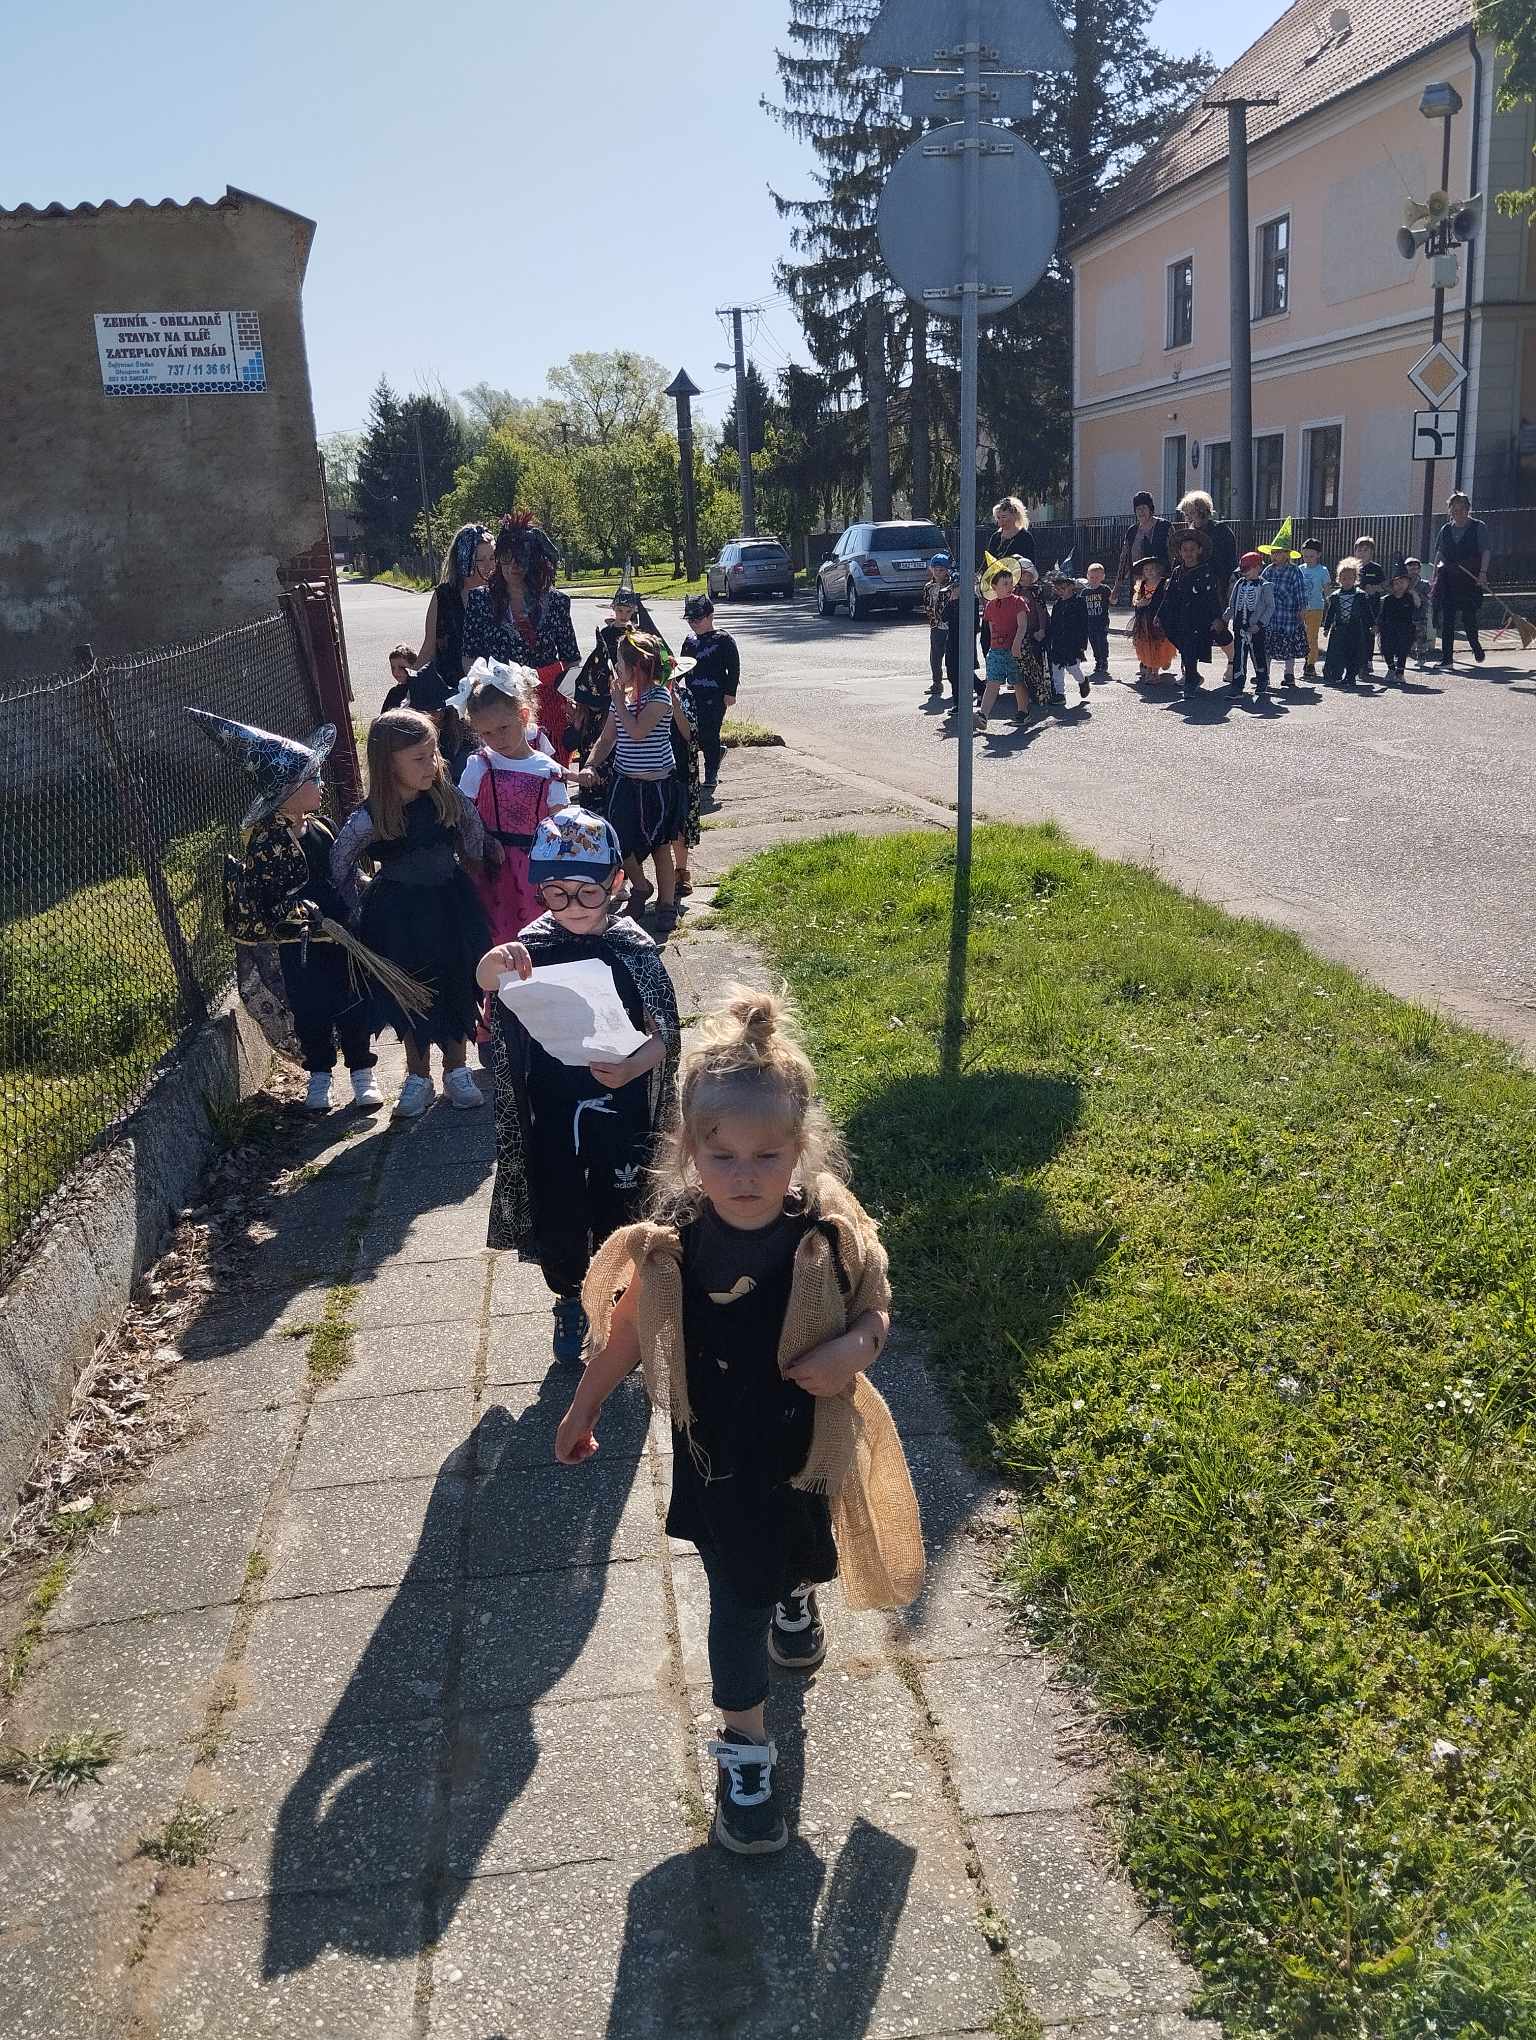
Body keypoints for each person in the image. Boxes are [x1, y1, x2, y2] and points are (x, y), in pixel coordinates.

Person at [555, 989, 923, 1856]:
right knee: (733, 1595)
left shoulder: (827, 1234)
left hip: (806, 1440)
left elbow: (875, 1307)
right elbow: (627, 1332)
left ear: (801, 1148)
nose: (746, 1175)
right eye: (722, 1157)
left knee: (799, 1549)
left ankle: (794, 1597)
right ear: (690, 1151)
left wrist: (855, 1350)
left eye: (768, 1155)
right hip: (717, 1450)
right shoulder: (673, 1242)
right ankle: (745, 1749)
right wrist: (584, 1404)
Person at [479, 807, 681, 1364]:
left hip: (622, 1105)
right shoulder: (532, 945)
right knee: (560, 1205)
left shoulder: (632, 947)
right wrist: (494, 960)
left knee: (623, 1201)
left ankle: (621, 1301)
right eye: (556, 893)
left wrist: (636, 1067)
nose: (571, 906)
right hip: (551, 1105)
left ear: (614, 882)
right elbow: (488, 981)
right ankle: (569, 1297)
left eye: (587, 893)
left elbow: (666, 1033)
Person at [187, 710, 382, 1116]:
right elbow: (265, 898)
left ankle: (363, 1072)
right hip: (302, 943)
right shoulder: (266, 844)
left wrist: (365, 890)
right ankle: (320, 1075)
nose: (321, 785)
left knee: (352, 1000)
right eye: (313, 779)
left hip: (343, 935)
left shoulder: (323, 827)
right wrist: (303, 914)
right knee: (310, 1008)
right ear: (288, 790)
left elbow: (343, 871)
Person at [331, 709, 492, 1119]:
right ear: (388, 764)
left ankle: (457, 1070)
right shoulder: (371, 816)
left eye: (433, 754)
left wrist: (474, 862)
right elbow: (340, 860)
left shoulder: (445, 797)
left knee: (456, 980)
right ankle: (418, 1076)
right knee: (408, 989)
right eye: (419, 758)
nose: (431, 764)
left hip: (450, 905)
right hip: (398, 917)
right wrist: (357, 902)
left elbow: (472, 827)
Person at [582, 631, 690, 934]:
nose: (616, 667)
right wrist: (590, 763)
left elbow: (637, 731)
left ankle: (666, 905)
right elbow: (608, 738)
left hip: (658, 786)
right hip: (626, 783)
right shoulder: (622, 699)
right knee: (620, 841)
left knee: (660, 846)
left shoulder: (660, 697)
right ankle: (641, 886)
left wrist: (618, 702)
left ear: (637, 667)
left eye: (619, 662)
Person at [456, 661, 570, 948]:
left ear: (523, 715)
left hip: (536, 870)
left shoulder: (548, 769)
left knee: (537, 937)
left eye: (503, 728)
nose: (497, 739)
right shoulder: (480, 765)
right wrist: (482, 841)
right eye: (487, 733)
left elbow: (561, 824)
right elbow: (462, 814)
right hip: (492, 868)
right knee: (495, 937)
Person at [463, 514, 581, 759]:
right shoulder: (480, 600)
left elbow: (571, 659)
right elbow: (470, 656)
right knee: (508, 770)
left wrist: (574, 701)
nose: (514, 566)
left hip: (550, 703)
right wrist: (481, 695)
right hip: (501, 704)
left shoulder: (557, 601)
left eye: (521, 557)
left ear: (535, 559)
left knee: (550, 770)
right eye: (507, 557)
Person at [417, 524, 494, 690]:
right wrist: (410, 686)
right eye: (481, 560)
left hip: (491, 694)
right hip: (450, 691)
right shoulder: (443, 596)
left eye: (492, 558)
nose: (489, 566)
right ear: (465, 560)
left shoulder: (500, 594)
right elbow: (429, 648)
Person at [681, 594, 740, 792]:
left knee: (710, 733)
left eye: (698, 619)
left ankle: (711, 771)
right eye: (690, 620)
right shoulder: (689, 641)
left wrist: (730, 693)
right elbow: (682, 665)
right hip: (692, 696)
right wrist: (671, 683)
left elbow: (733, 668)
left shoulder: (723, 639)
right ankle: (716, 753)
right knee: (693, 733)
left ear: (710, 616)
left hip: (716, 696)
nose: (694, 624)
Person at [1160, 531, 1228, 696]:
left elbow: (1213, 597)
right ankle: (1193, 676)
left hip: (1199, 617)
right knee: (1183, 645)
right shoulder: (1177, 571)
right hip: (1179, 616)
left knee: (1190, 646)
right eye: (1185, 550)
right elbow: (1169, 595)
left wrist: (1218, 618)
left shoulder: (1206, 571)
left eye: (1192, 549)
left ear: (1199, 550)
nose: (1188, 553)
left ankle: (1191, 680)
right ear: (1180, 552)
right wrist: (1159, 614)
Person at [1432, 492, 1492, 670]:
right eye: (1454, 510)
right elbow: (1440, 554)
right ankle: (1447, 659)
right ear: (1450, 511)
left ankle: (1475, 646)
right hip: (1449, 580)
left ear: (1468, 509)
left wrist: (1483, 573)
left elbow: (1485, 551)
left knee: (1469, 618)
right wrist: (1435, 576)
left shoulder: (1478, 527)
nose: (1458, 513)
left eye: (1462, 509)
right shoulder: (1445, 529)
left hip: (1469, 579)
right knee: (1447, 620)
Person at [975, 560, 1034, 733]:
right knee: (992, 682)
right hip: (996, 650)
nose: (1010, 586)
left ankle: (1023, 711)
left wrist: (1016, 643)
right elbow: (992, 628)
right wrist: (991, 648)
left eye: (1011, 582)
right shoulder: (991, 605)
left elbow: (1022, 625)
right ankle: (983, 716)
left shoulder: (1018, 602)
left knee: (1017, 681)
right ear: (994, 587)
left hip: (1014, 650)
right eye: (1005, 583)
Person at [1258, 530, 1309, 691]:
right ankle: (1264, 675)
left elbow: (1300, 590)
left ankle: (1289, 674)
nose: (1274, 556)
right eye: (1273, 553)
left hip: (1288, 616)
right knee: (1267, 646)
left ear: (1287, 555)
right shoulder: (1268, 570)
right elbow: (1261, 587)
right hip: (1270, 616)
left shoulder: (1294, 571)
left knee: (1289, 647)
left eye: (1278, 553)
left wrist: (1302, 609)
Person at [1171, 489, 1239, 596]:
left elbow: (1230, 560)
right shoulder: (1187, 535)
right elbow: (1179, 559)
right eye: (1186, 514)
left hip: (1217, 584)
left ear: (1203, 511)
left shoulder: (1221, 530)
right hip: (1191, 585)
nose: (1188, 518)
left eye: (1192, 513)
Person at [1227, 552, 1275, 698]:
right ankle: (1237, 685)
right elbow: (1232, 604)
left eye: (1247, 569)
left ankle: (1262, 679)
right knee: (1239, 657)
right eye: (1242, 569)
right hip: (1239, 627)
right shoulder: (1239, 584)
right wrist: (1226, 617)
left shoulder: (1265, 586)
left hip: (1256, 629)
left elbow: (1270, 607)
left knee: (1258, 655)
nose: (1243, 572)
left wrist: (1260, 624)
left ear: (1258, 568)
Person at [1321, 559, 1373, 688]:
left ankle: (1350, 676)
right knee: (1337, 652)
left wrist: (1372, 624)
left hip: (1355, 629)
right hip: (1339, 629)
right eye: (1344, 578)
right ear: (1339, 579)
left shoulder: (1360, 595)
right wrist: (1326, 627)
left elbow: (1367, 611)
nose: (1347, 581)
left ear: (1355, 579)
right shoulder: (1335, 596)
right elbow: (1331, 612)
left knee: (1353, 653)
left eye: (1350, 578)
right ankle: (1335, 674)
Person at [1044, 568, 1092, 704]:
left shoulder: (1079, 602)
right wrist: (1050, 639)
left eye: (1063, 588)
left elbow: (1084, 624)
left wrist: (1083, 644)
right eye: (1057, 589)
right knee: (1056, 667)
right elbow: (1053, 623)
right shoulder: (1057, 604)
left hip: (1073, 642)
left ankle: (1082, 681)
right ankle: (1060, 694)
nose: (1060, 591)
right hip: (1058, 642)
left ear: (1071, 586)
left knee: (1072, 667)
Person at [1112, 493, 1172, 601]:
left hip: (1161, 584)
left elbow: (1174, 555)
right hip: (1139, 585)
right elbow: (1124, 560)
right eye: (1138, 509)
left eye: (1144, 508)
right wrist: (1117, 587)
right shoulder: (1132, 531)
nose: (1141, 512)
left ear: (1150, 509)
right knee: (1140, 609)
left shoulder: (1165, 527)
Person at [1131, 557, 1176, 681]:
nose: (1149, 571)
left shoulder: (1164, 583)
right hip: (1145, 619)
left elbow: (1166, 600)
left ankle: (1156, 668)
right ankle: (1150, 668)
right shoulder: (1142, 584)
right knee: (1147, 643)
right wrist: (1139, 603)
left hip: (1159, 618)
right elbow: (1137, 599)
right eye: (1146, 569)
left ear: (1158, 570)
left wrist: (1151, 602)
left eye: (1152, 569)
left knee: (1160, 642)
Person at [921, 555, 956, 699]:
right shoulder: (928, 587)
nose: (937, 573)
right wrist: (931, 618)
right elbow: (926, 603)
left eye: (941, 570)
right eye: (935, 570)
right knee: (935, 655)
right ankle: (937, 682)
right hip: (936, 625)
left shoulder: (952, 586)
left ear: (947, 570)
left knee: (952, 656)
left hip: (950, 626)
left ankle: (957, 684)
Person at [1377, 569, 1421, 682]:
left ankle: (1400, 673)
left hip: (1405, 628)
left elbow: (1418, 604)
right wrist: (1378, 626)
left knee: (1403, 650)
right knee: (1387, 650)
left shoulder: (1409, 597)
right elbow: (1382, 615)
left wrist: (1413, 592)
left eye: (1403, 582)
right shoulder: (1388, 599)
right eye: (1396, 583)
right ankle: (1391, 669)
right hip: (1388, 628)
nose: (1400, 585)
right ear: (1392, 586)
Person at [1353, 537, 1386, 677]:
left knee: (1369, 634)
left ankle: (1368, 661)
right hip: (1356, 607)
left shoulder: (1376, 568)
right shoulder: (1351, 566)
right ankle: (1355, 662)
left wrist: (1374, 588)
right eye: (1359, 550)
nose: (1362, 553)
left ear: (1372, 552)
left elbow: (1384, 586)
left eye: (1365, 550)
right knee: (1355, 634)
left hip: (1372, 606)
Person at [1299, 540, 1329, 680]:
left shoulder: (1322, 570)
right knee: (1303, 637)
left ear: (1318, 555)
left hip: (1316, 608)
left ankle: (1311, 664)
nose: (1308, 559)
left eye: (1311, 556)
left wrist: (1331, 604)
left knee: (1312, 637)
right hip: (1302, 609)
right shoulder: (1300, 569)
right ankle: (1307, 659)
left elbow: (1327, 590)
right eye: (1305, 556)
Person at [982, 495, 1036, 566]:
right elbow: (987, 562)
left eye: (1004, 517)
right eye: (998, 518)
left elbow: (1029, 565)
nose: (1000, 521)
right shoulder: (995, 537)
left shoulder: (1025, 537)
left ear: (1015, 515)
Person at [1082, 563, 1112, 678]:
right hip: (1089, 623)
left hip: (1102, 621)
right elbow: (1081, 607)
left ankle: (1104, 660)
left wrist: (1114, 597)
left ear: (1102, 577)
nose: (1094, 579)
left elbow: (1113, 601)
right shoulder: (1085, 592)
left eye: (1097, 577)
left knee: (1101, 640)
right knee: (1093, 642)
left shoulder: (1105, 589)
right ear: (1087, 576)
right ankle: (1098, 660)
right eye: (1092, 577)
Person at [1402, 557, 1432, 670]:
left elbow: (1428, 599)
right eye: (1410, 567)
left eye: (1416, 567)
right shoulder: (1402, 582)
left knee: (1421, 638)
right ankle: (1402, 657)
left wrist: (1416, 594)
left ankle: (1421, 657)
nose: (1413, 570)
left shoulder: (1425, 584)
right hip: (1406, 615)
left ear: (1419, 569)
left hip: (1420, 615)